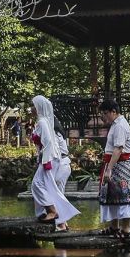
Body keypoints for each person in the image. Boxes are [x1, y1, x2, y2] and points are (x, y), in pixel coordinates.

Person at [30, 95, 80, 231]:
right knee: (50, 189)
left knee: (39, 185)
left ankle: (54, 213)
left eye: (33, 106)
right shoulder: (44, 122)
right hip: (54, 159)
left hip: (54, 160)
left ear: (39, 107)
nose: (31, 109)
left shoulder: (43, 122)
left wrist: (46, 160)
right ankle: (59, 220)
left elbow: (49, 143)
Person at [98, 99, 130, 240]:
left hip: (122, 164)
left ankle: (126, 229)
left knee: (124, 195)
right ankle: (114, 226)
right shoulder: (115, 124)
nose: (103, 116)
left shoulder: (120, 125)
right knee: (112, 195)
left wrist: (109, 169)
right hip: (116, 163)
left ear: (114, 111)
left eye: (105, 113)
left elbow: (119, 148)